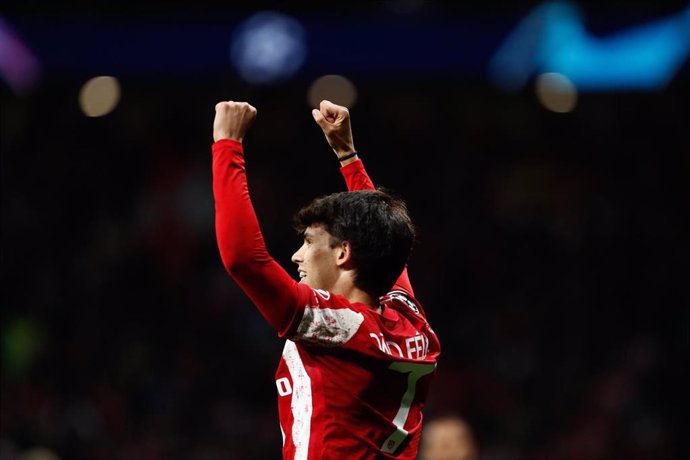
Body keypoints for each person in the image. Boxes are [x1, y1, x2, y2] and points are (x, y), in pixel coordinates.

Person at [211, 99, 441, 459]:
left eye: (307, 242)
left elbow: (244, 260)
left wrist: (227, 144)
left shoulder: (335, 327)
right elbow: (382, 236)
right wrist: (347, 156)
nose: (296, 256)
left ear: (342, 253)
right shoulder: (412, 323)